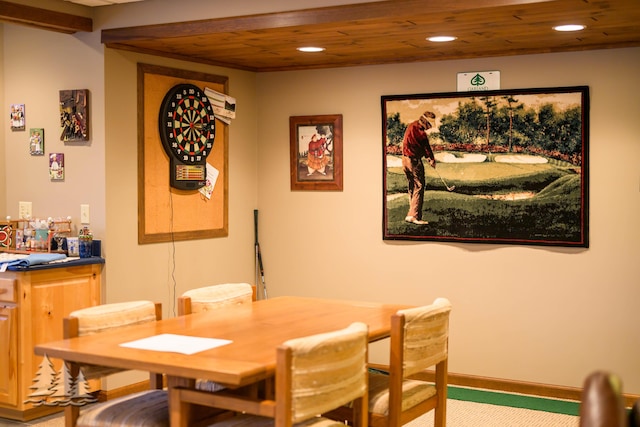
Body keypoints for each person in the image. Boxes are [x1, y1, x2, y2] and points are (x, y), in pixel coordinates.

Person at [401, 111, 436, 225]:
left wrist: (427, 156)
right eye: (429, 124)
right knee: (419, 186)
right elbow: (426, 148)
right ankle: (414, 216)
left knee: (412, 185)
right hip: (413, 160)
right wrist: (431, 159)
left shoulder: (411, 125)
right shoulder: (421, 133)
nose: (429, 127)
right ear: (425, 122)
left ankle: (410, 214)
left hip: (404, 160)